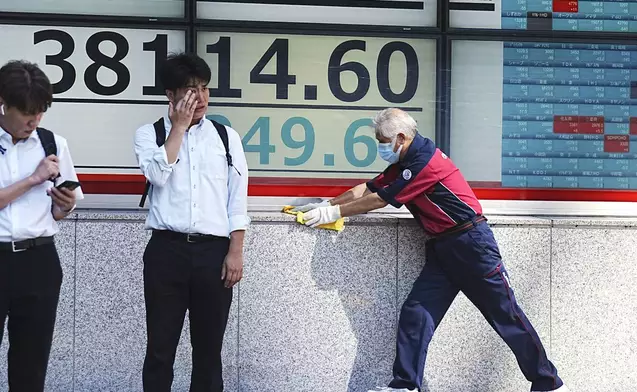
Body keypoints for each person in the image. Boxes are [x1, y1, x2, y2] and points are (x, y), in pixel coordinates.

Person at [293, 108, 569, 392]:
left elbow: (379, 200)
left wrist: (335, 213)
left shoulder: (425, 163)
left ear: (400, 138)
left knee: (505, 315)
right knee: (417, 312)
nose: (380, 146)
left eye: (382, 140)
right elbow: (368, 188)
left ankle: (548, 383)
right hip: (443, 247)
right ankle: (405, 385)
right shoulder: (406, 161)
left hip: (471, 245)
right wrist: (327, 205)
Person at [133, 52, 250, 392]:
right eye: (189, 90)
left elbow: (237, 197)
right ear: (170, 95)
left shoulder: (227, 137)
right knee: (159, 349)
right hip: (165, 252)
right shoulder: (149, 134)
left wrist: (236, 251)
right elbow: (156, 174)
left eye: (203, 88)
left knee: (209, 351)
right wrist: (179, 128)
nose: (199, 98)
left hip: (214, 253)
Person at [0, 60, 83, 391]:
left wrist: (64, 205)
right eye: (26, 112)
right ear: (3, 103)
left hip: (39, 260)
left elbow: (62, 205)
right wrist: (32, 179)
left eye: (40, 111)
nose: (34, 120)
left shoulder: (52, 142)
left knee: (31, 364)